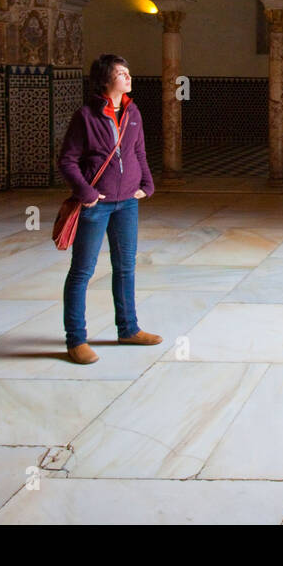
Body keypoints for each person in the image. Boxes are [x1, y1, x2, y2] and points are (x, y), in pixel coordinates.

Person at [57, 54, 163, 364]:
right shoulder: (85, 117)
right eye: (121, 73)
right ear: (105, 80)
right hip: (97, 205)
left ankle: (128, 329)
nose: (128, 77)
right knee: (82, 272)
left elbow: (138, 151)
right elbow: (67, 161)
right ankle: (76, 339)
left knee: (126, 266)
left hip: (127, 203)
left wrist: (147, 183)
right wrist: (86, 193)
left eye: (128, 72)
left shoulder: (133, 112)